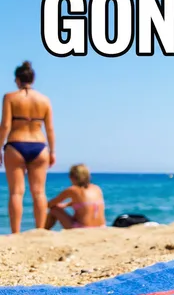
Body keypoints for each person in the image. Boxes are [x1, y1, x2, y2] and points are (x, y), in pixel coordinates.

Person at [0, 61, 56, 234]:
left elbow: (5, 126)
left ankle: (16, 232)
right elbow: (50, 128)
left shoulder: (10, 97)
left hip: (16, 144)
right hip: (40, 146)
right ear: (33, 79)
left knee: (16, 193)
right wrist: (53, 151)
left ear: (17, 80)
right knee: (39, 192)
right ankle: (40, 230)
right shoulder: (44, 100)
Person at [45, 164, 106, 230]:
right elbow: (87, 203)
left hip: (82, 228)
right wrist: (66, 205)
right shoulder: (97, 188)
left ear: (72, 177)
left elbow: (50, 204)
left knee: (54, 210)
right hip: (101, 227)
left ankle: (43, 230)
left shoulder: (73, 189)